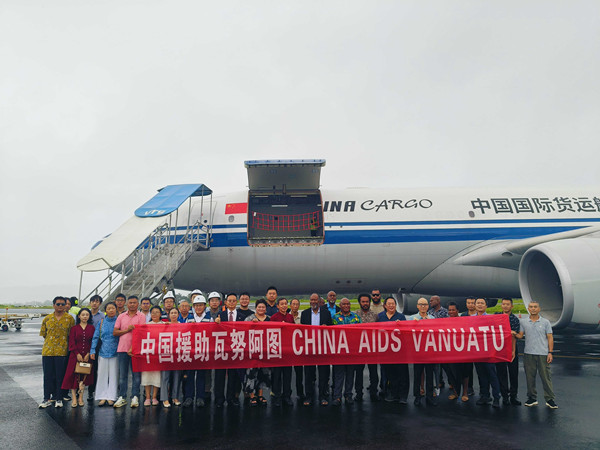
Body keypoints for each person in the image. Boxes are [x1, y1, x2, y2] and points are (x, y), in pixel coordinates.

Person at [519, 301, 557, 409]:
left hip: (543, 354)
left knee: (546, 377)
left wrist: (550, 352)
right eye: (531, 307)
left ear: (539, 309)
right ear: (528, 309)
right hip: (529, 353)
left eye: (535, 307)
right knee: (530, 377)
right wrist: (512, 333)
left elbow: (550, 337)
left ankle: (550, 399)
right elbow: (520, 335)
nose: (533, 309)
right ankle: (532, 398)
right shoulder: (523, 322)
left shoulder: (545, 322)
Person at [39, 296, 75, 409]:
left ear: (66, 306)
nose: (60, 306)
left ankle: (59, 398)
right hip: (48, 351)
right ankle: (46, 398)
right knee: (48, 376)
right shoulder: (47, 319)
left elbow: (71, 335)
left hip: (62, 352)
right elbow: (44, 334)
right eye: (58, 304)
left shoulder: (69, 319)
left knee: (60, 376)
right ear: (54, 305)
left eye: (62, 304)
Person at [113, 295, 146, 408]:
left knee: (136, 375)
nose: (132, 304)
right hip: (122, 349)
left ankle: (135, 396)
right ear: (127, 304)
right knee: (123, 375)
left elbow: (142, 333)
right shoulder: (121, 316)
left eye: (134, 303)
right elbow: (115, 332)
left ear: (138, 304)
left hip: (135, 351)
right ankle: (122, 396)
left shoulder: (141, 316)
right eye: (130, 302)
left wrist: (133, 348)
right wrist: (127, 330)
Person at [301, 293, 333, 406]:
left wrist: (327, 328)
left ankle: (323, 396)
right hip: (309, 348)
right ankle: (309, 396)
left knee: (323, 373)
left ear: (319, 301)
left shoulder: (326, 313)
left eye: (315, 300)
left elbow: (332, 329)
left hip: (322, 348)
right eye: (311, 300)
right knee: (309, 374)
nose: (313, 302)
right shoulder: (304, 314)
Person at [376, 296, 409, 404]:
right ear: (385, 306)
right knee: (390, 374)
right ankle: (393, 394)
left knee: (402, 374)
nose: (391, 305)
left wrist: (401, 326)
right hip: (386, 351)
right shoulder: (380, 316)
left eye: (393, 303)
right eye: (389, 304)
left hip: (400, 351)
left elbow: (406, 333)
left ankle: (403, 396)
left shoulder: (401, 317)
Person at [214, 293, 245, 407]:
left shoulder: (241, 316)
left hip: (235, 349)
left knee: (233, 376)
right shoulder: (220, 315)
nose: (231, 303)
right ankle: (219, 399)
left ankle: (231, 398)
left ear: (236, 302)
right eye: (229, 301)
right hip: (222, 349)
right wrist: (216, 323)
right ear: (226, 302)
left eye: (233, 301)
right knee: (219, 376)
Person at [61, 308, 95, 407]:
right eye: (83, 314)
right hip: (75, 356)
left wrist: (89, 353)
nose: (85, 316)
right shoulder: (74, 328)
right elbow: (71, 342)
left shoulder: (92, 328)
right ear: (79, 316)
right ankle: (74, 398)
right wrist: (77, 354)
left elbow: (93, 342)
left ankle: (81, 397)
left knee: (84, 377)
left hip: (87, 356)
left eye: (87, 315)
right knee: (73, 376)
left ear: (89, 317)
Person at [472, 297, 501, 408]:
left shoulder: (491, 318)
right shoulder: (470, 319)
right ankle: (484, 396)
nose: (479, 305)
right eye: (478, 303)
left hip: (489, 352)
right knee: (481, 376)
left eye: (482, 303)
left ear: (486, 306)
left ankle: (496, 398)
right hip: (477, 352)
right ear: (475, 305)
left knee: (492, 375)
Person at [331, 298, 360, 406]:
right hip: (339, 352)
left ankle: (348, 395)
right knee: (338, 375)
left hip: (352, 351)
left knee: (350, 375)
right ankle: (337, 396)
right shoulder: (335, 317)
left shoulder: (356, 317)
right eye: (344, 304)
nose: (346, 305)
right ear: (340, 305)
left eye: (348, 304)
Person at [183, 295, 211, 408]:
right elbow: (184, 332)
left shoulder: (210, 319)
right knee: (190, 375)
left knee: (201, 375)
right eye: (196, 305)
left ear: (204, 306)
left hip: (203, 351)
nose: (198, 307)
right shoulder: (189, 318)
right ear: (193, 306)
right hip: (191, 351)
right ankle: (189, 397)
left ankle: (200, 397)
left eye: (200, 305)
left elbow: (212, 334)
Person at [90, 301, 119, 406]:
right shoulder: (101, 322)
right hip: (103, 351)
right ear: (105, 310)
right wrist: (92, 350)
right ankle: (102, 396)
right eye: (109, 308)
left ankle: (111, 396)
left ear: (116, 309)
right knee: (101, 375)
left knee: (113, 375)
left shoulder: (119, 321)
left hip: (115, 352)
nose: (111, 310)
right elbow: (95, 337)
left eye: (113, 308)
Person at [244, 299, 271, 406]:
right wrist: (251, 324)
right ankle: (252, 395)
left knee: (263, 374)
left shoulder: (269, 319)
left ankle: (260, 395)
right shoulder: (250, 318)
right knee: (251, 373)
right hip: (253, 351)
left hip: (265, 351)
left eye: (263, 307)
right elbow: (243, 332)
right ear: (256, 308)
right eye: (259, 307)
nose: (261, 309)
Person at [495, 298, 522, 406]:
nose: (505, 306)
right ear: (501, 305)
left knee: (513, 374)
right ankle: (505, 396)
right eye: (504, 304)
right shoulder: (496, 316)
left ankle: (513, 396)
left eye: (508, 304)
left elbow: (514, 337)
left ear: (512, 306)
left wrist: (513, 351)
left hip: (511, 348)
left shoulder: (514, 319)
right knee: (501, 374)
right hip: (499, 349)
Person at [410, 298, 436, 406]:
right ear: (417, 306)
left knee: (430, 375)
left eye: (425, 304)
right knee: (417, 375)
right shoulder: (412, 318)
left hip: (429, 352)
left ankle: (429, 396)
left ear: (428, 306)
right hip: (418, 352)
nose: (423, 306)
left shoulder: (433, 319)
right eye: (421, 304)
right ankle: (417, 396)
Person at [355, 293, 380, 402]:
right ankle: (358, 393)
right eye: (363, 301)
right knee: (359, 372)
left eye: (367, 301)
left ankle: (374, 391)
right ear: (360, 302)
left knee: (373, 372)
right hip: (359, 349)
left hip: (372, 348)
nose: (365, 303)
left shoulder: (375, 315)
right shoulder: (355, 315)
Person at [270, 298, 294, 406]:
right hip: (277, 350)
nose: (284, 306)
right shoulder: (274, 317)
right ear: (278, 306)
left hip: (288, 350)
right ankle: (276, 396)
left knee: (287, 375)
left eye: (285, 304)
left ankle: (287, 396)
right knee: (277, 375)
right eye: (282, 304)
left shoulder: (290, 317)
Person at [444, 302, 470, 402]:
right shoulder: (445, 322)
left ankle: (465, 393)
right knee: (452, 373)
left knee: (465, 373)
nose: (451, 312)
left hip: (464, 351)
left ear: (457, 311)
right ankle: (455, 392)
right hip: (451, 352)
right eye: (449, 310)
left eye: (453, 310)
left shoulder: (463, 320)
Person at [161, 308, 183, 407]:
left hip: (178, 354)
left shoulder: (183, 325)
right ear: (169, 315)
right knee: (165, 376)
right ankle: (165, 398)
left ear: (178, 315)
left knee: (177, 376)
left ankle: (175, 397)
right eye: (172, 313)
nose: (173, 315)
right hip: (166, 354)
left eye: (175, 313)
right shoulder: (165, 325)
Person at [141, 306, 163, 406]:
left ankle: (154, 397)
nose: (154, 314)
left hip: (159, 354)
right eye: (153, 312)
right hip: (148, 354)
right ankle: (147, 397)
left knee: (157, 376)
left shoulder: (164, 325)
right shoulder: (146, 325)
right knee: (147, 375)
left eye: (157, 312)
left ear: (160, 314)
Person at [88, 294, 104, 401]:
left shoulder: (102, 316)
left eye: (97, 301)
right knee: (83, 367)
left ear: (100, 304)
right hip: (85, 342)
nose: (94, 303)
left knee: (94, 368)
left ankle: (91, 391)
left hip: (97, 343)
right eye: (93, 301)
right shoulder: (85, 314)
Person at [460, 296, 477, 396]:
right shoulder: (463, 315)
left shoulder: (479, 315)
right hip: (467, 346)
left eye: (472, 303)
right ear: (466, 304)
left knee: (480, 369)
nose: (470, 304)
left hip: (478, 345)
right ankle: (469, 388)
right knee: (468, 369)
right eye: (469, 303)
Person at [290, 298, 304, 400]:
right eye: (293, 304)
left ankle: (300, 392)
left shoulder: (302, 317)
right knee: (287, 373)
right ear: (290, 305)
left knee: (299, 373)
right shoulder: (286, 317)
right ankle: (286, 393)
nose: (295, 306)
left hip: (299, 349)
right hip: (287, 349)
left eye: (297, 304)